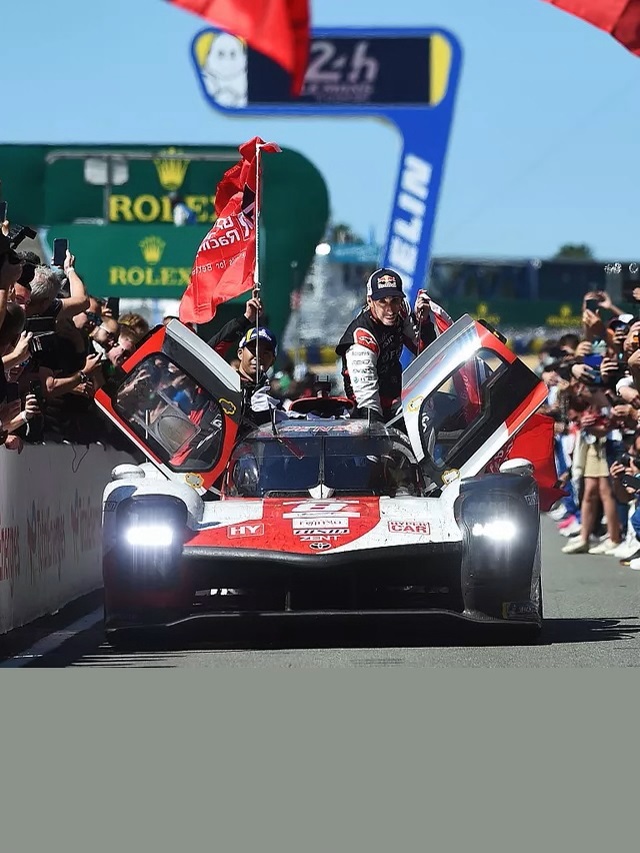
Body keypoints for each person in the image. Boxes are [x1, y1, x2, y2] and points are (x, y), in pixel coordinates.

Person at [335, 267, 446, 422]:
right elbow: (368, 403)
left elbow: (426, 352)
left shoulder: (401, 311)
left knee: (450, 406)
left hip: (397, 392)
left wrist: (424, 321)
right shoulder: (362, 339)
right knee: (424, 417)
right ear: (370, 301)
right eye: (382, 302)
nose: (390, 309)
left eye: (394, 300)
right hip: (371, 406)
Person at [207, 293, 283, 431]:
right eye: (253, 349)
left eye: (265, 352)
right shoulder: (223, 382)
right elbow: (208, 353)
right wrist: (246, 319)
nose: (258, 356)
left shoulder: (271, 399)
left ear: (273, 361)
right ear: (240, 354)